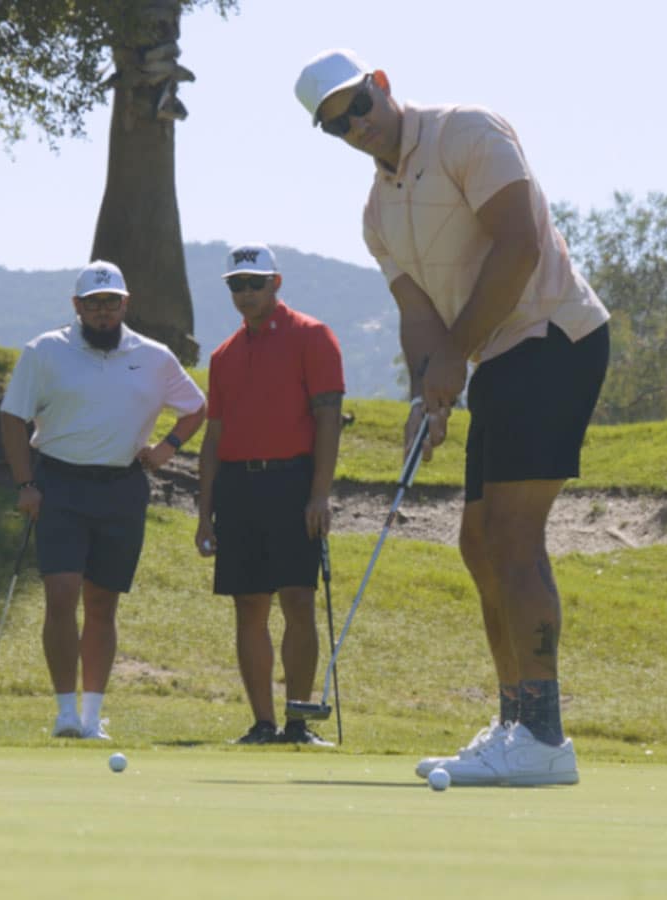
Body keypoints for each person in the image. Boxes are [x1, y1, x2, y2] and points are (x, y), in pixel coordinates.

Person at [294, 50, 611, 785]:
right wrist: (423, 396)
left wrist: (456, 357)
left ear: (381, 85)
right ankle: (516, 724)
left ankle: (542, 734)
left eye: (357, 107)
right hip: (498, 355)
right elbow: (418, 317)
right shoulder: (377, 214)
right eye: (336, 125)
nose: (355, 127)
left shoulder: (467, 132)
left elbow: (521, 245)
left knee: (511, 533)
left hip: (555, 336)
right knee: (476, 541)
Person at [0, 260, 206, 740]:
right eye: (94, 304)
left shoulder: (153, 356)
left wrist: (166, 448)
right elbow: (13, 419)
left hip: (122, 486)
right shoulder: (46, 351)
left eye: (111, 303)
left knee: (102, 602)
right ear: (77, 307)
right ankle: (64, 712)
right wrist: (24, 484)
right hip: (59, 483)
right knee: (61, 595)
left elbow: (197, 408)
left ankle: (92, 717)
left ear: (125, 304)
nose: (103, 313)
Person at [194, 243, 346, 746]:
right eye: (236, 284)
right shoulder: (224, 354)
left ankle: (298, 724)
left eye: (254, 283)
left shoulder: (313, 336)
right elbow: (213, 438)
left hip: (292, 482)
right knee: (248, 605)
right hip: (238, 487)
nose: (245, 293)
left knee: (298, 601)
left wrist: (319, 495)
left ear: (275, 284)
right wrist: (205, 513)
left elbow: (328, 419)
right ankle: (263, 724)